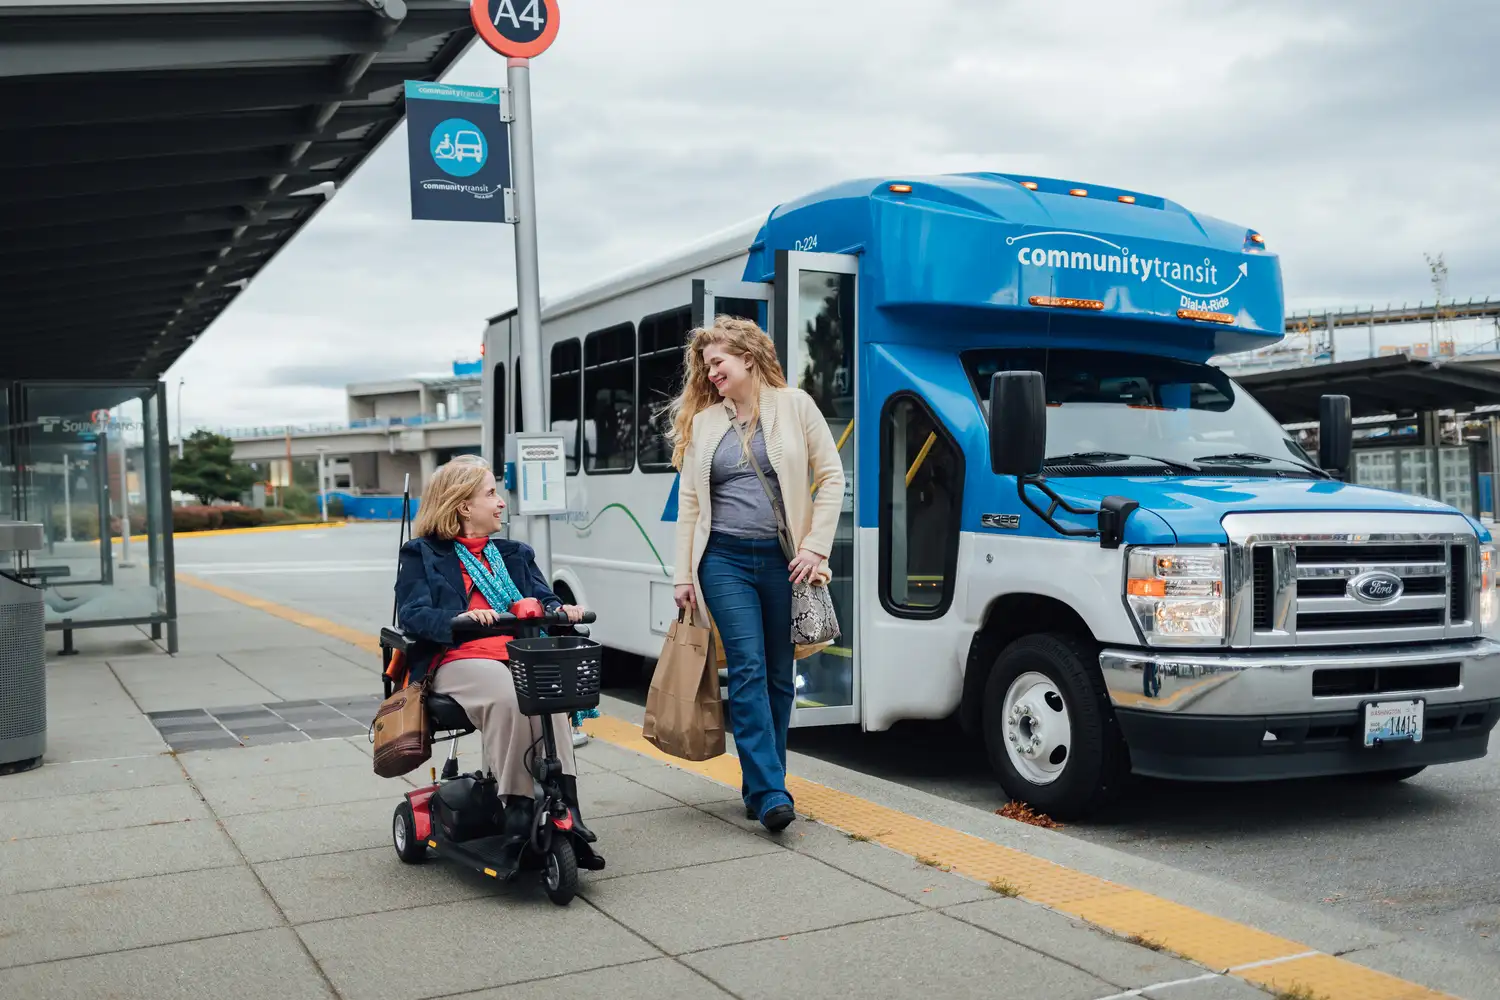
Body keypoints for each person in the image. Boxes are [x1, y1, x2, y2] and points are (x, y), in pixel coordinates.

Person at [668, 315, 844, 832]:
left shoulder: (797, 406)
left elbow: (831, 477)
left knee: (777, 676)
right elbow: (691, 505)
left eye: (717, 362)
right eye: (706, 366)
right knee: (745, 668)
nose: (711, 373)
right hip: (722, 559)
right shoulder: (705, 422)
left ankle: (763, 784)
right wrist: (683, 574)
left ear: (747, 357)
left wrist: (815, 548)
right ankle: (771, 793)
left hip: (782, 560)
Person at [394, 457, 594, 839]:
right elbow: (414, 615)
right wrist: (461, 619)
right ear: (464, 506)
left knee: (551, 698)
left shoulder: (514, 553)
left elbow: (544, 599)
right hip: (457, 657)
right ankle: (517, 805)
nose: (501, 501)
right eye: (491, 493)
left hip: (513, 654)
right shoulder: (422, 553)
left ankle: (567, 802)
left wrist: (561, 611)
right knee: (508, 697)